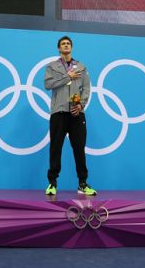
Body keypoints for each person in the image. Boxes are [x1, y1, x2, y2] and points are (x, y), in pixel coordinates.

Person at [43, 36, 96, 196]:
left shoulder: (81, 66)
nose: (66, 45)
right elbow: (48, 84)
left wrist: (81, 105)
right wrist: (67, 77)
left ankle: (82, 183)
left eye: (68, 44)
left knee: (79, 149)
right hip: (59, 113)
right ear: (59, 48)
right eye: (63, 44)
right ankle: (52, 183)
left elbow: (86, 88)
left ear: (71, 48)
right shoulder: (51, 66)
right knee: (56, 148)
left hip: (76, 113)